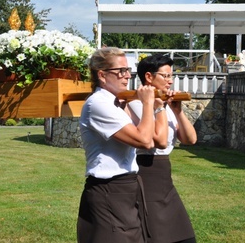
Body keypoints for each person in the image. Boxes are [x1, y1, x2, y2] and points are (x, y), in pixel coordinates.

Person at [77, 47, 165, 243]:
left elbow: (153, 141)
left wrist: (140, 106)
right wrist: (149, 104)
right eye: (121, 71)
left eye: (128, 71)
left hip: (126, 186)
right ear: (102, 75)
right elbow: (144, 140)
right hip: (108, 188)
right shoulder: (98, 104)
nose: (127, 77)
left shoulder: (116, 102)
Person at [126, 54, 197, 243]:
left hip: (164, 175)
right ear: (149, 77)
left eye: (171, 76)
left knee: (184, 236)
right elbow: (160, 141)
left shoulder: (165, 103)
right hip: (146, 171)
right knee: (156, 235)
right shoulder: (136, 101)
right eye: (165, 76)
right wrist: (158, 109)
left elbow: (190, 139)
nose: (170, 81)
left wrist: (178, 110)